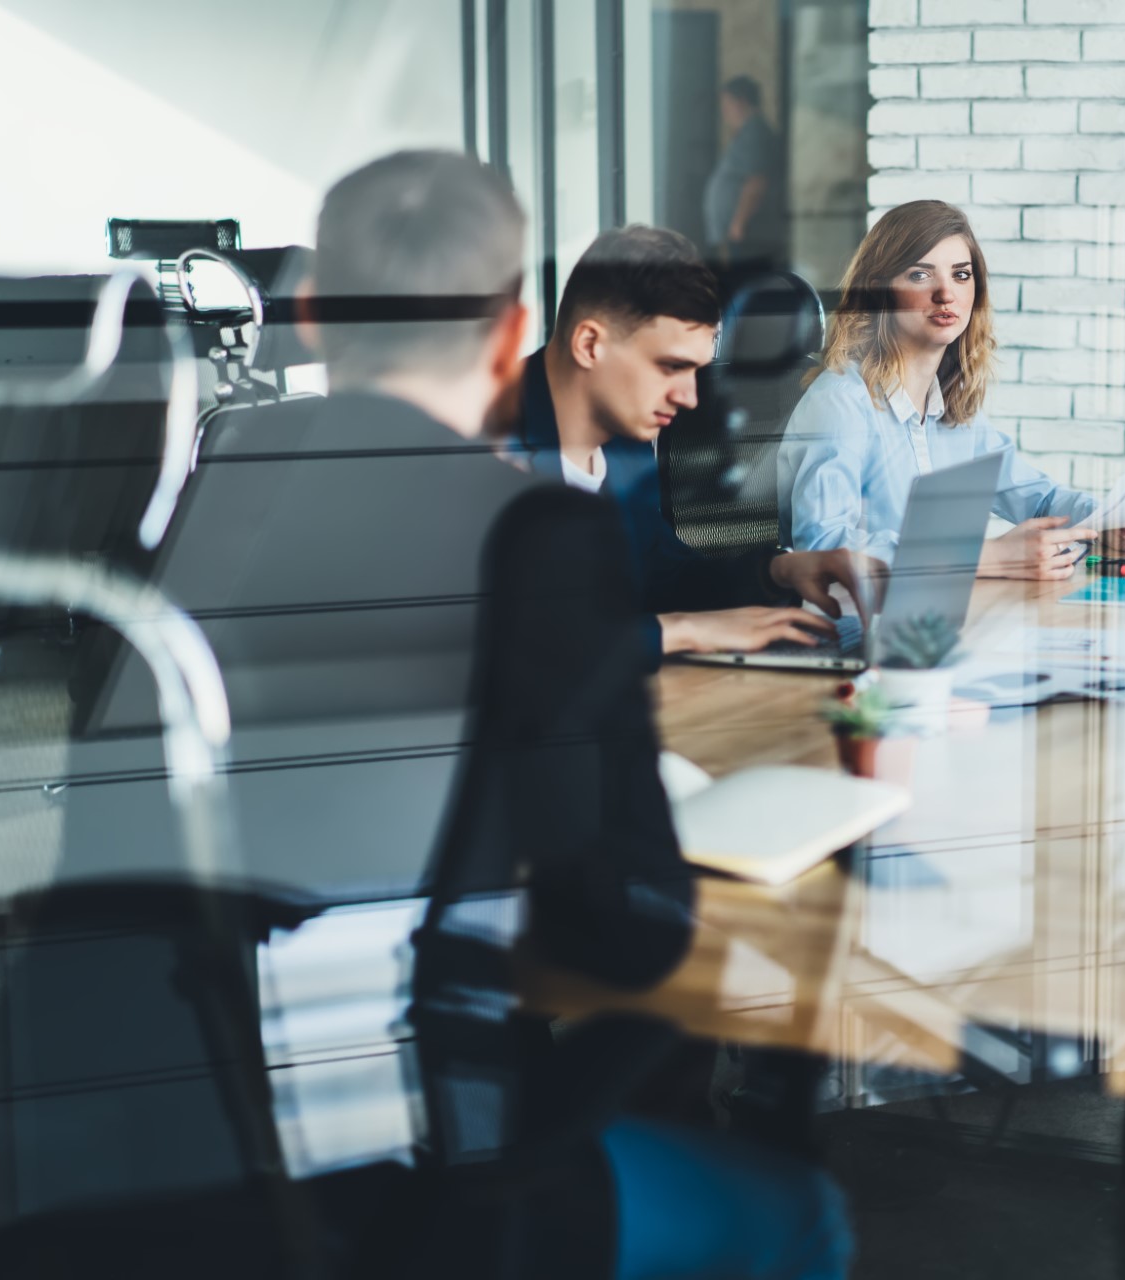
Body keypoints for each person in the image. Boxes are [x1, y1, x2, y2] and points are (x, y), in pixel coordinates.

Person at [290, 151, 850, 1280]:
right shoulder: (520, 522)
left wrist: (774, 572)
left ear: (307, 316)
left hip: (202, 1116)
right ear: (516, 335)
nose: (689, 394)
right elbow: (629, 929)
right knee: (802, 1210)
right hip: (409, 1143)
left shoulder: (211, 496)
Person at [507, 224, 875, 662]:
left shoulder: (623, 442)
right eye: (671, 367)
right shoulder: (480, 443)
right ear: (590, 344)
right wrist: (679, 631)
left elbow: (665, 572)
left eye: (694, 370)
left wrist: (777, 572)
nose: (689, 397)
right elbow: (504, 633)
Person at [777, 198, 1125, 579]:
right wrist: (985, 557)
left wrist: (1110, 523)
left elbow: (1040, 500)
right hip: (854, 628)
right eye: (920, 274)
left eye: (961, 275)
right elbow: (822, 547)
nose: (945, 294)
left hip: (932, 618)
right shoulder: (842, 402)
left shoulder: (951, 406)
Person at [703, 75, 784, 270]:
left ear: (741, 102)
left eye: (726, 104)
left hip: (748, 235)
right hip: (742, 235)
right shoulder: (748, 133)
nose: (724, 112)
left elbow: (756, 181)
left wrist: (738, 224)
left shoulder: (754, 133)